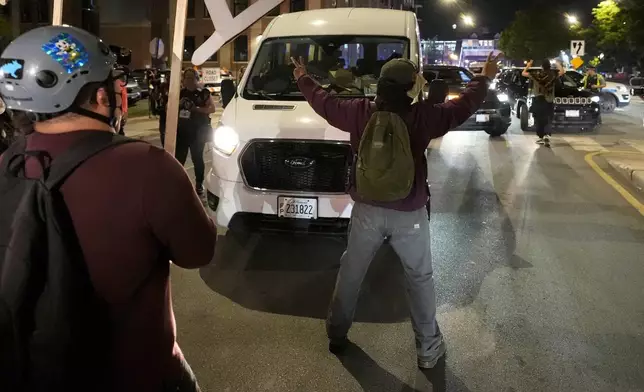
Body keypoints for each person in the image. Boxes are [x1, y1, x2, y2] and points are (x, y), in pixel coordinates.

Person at [0, 26, 216, 391]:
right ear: (101, 96)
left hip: (35, 371)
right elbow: (198, 252)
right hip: (139, 374)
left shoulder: (7, 165)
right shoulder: (150, 167)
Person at [291, 51, 501, 369]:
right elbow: (463, 106)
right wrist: (483, 77)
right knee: (419, 278)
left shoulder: (358, 111)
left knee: (352, 272)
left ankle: (337, 333)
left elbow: (323, 102)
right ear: (410, 87)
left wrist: (303, 78)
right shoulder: (424, 116)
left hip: (367, 210)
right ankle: (429, 351)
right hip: (410, 212)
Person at [176, 68, 216, 195]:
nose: (188, 80)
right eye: (186, 77)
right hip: (182, 131)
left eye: (191, 77)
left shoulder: (203, 93)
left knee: (197, 158)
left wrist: (196, 109)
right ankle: (178, 183)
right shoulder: (180, 93)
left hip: (198, 132)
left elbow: (212, 109)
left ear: (196, 78)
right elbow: (169, 108)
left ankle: (199, 184)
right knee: (178, 159)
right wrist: (178, 104)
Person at [522, 59, 565, 146]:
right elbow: (562, 71)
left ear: (542, 66)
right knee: (548, 119)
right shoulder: (553, 75)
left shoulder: (536, 75)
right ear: (549, 66)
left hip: (538, 100)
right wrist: (557, 63)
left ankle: (541, 137)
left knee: (539, 119)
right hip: (549, 101)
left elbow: (523, 73)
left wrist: (529, 65)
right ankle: (547, 136)